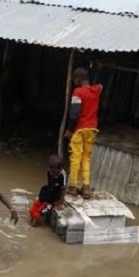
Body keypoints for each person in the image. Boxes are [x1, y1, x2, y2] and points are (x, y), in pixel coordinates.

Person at [64, 66, 102, 199]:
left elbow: (74, 114)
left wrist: (69, 130)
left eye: (75, 80)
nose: (74, 82)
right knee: (86, 158)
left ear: (78, 79)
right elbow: (99, 84)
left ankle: (73, 186)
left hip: (80, 128)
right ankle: (86, 188)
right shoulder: (97, 90)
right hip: (92, 128)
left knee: (76, 157)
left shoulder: (77, 92)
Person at [29, 155, 67, 227]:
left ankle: (34, 224)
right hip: (49, 191)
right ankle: (32, 219)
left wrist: (60, 202)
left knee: (39, 212)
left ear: (59, 169)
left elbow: (63, 189)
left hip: (55, 196)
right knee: (34, 207)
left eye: (54, 170)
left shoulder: (62, 174)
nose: (52, 172)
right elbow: (49, 184)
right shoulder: (49, 171)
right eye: (50, 169)